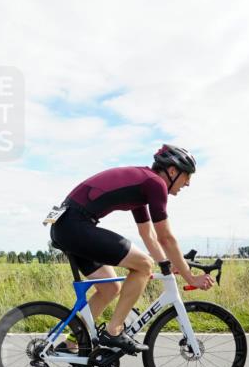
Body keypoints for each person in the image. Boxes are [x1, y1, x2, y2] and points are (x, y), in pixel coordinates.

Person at [49, 144, 214, 354]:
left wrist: (166, 264)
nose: (188, 183)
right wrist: (190, 277)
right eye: (187, 176)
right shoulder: (155, 184)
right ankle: (114, 331)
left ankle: (72, 343)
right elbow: (165, 237)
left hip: (66, 226)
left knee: (110, 288)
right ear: (173, 171)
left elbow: (148, 235)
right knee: (144, 265)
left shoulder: (144, 185)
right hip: (74, 225)